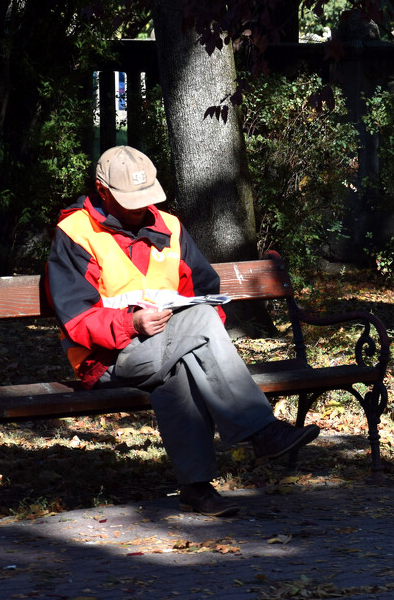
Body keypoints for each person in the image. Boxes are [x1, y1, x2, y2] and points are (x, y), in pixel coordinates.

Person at [46, 146, 319, 517]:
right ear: (102, 190)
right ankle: (261, 432)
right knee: (202, 323)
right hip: (107, 359)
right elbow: (76, 319)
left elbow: (204, 288)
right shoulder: (75, 233)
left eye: (146, 197)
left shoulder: (169, 227)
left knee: (180, 363)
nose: (142, 207)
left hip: (168, 347)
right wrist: (132, 322)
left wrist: (185, 325)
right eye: (131, 200)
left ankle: (197, 488)